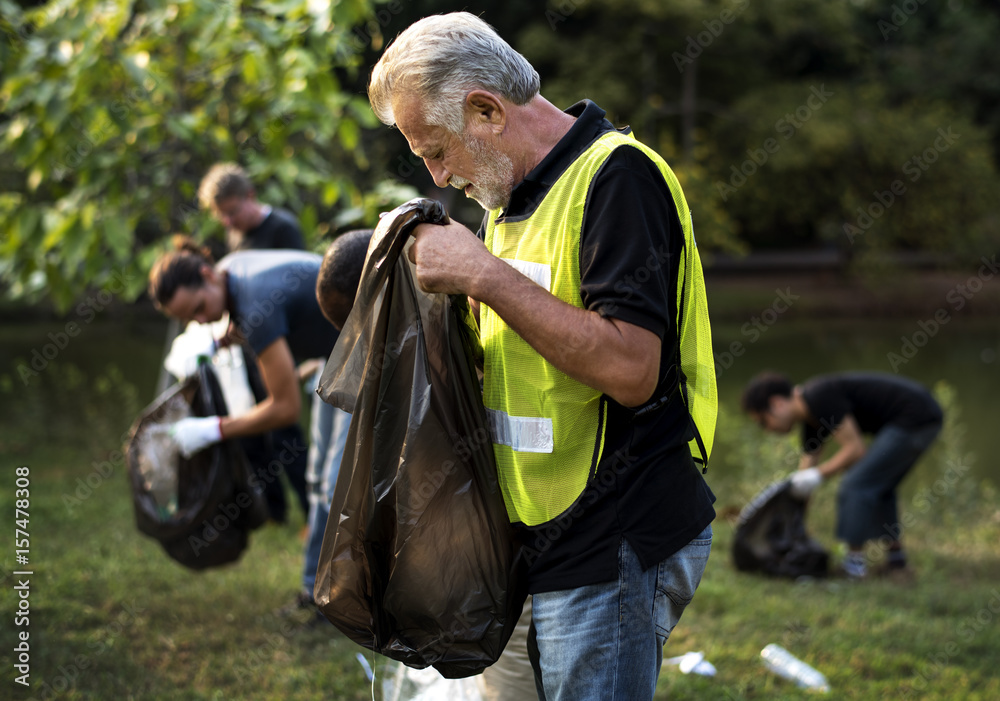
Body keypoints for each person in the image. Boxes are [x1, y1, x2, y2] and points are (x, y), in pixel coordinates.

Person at [367, 13, 716, 701]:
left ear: (487, 110)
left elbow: (631, 370)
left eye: (437, 150)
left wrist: (484, 277)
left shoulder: (618, 179)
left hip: (613, 534)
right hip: (530, 534)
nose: (437, 177)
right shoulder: (509, 199)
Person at [316, 227, 537, 700]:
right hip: (501, 564)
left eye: (365, 332)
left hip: (525, 553)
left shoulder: (456, 343)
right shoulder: (427, 353)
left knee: (516, 680)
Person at [148, 237, 342, 610]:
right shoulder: (232, 266)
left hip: (374, 348)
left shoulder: (254, 305)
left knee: (336, 486)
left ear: (207, 275)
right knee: (319, 482)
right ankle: (316, 590)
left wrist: (212, 429)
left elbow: (284, 409)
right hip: (336, 354)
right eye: (191, 320)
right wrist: (223, 342)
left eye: (200, 308)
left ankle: (346, 599)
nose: (202, 320)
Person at [740, 370, 943, 580]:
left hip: (916, 417)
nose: (767, 430)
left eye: (763, 422)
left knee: (855, 483)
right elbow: (805, 472)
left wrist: (817, 476)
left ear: (777, 404)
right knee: (879, 485)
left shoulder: (819, 397)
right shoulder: (810, 417)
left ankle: (854, 568)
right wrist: (794, 523)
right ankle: (897, 562)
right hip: (922, 415)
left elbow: (855, 449)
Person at [198, 162, 305, 252]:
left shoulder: (283, 229)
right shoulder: (234, 234)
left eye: (232, 212)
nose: (228, 222)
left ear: (250, 195)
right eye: (221, 215)